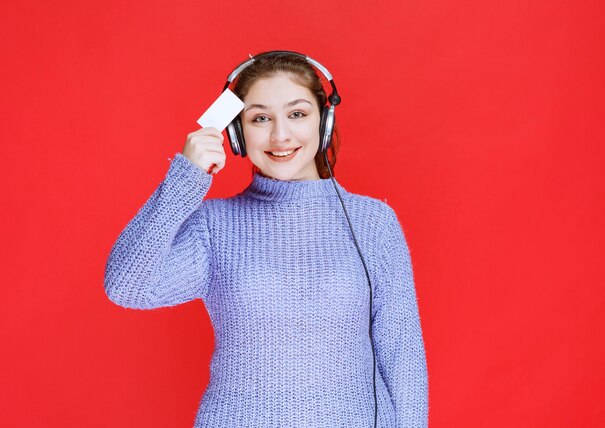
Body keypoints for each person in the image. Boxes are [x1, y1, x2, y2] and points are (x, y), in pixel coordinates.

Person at [104, 51, 428, 428]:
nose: (280, 135)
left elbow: (402, 354)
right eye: (260, 118)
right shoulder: (214, 225)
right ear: (238, 133)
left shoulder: (373, 222)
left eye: (297, 114)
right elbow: (127, 286)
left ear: (324, 119)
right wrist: (184, 179)